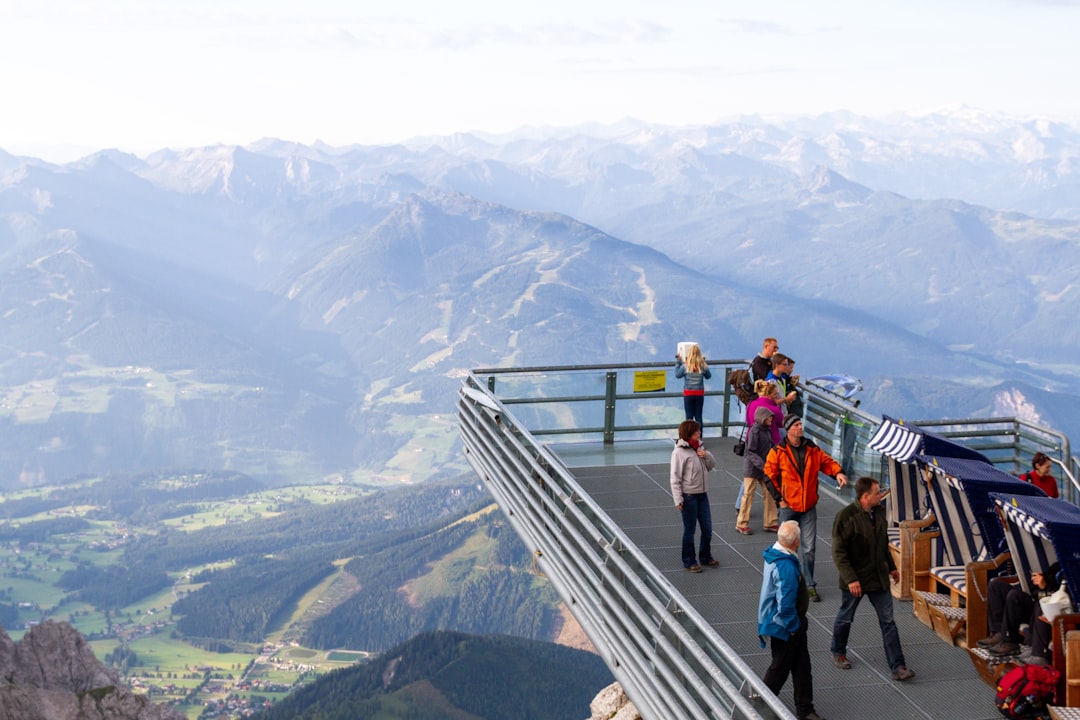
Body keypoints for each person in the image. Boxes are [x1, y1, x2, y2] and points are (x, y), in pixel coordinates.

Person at [829, 476, 915, 681]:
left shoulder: (879, 513)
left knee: (888, 622)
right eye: (877, 493)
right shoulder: (845, 517)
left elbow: (882, 543)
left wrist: (892, 567)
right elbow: (838, 553)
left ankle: (898, 667)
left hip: (878, 579)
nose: (881, 495)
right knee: (846, 616)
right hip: (856, 580)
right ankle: (838, 652)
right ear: (865, 496)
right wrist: (851, 579)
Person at [765, 415, 847, 601]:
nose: (801, 427)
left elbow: (826, 462)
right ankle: (786, 582)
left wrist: (838, 472)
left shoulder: (811, 448)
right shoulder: (778, 451)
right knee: (786, 547)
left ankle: (809, 585)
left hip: (808, 507)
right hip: (788, 506)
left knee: (809, 548)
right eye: (796, 425)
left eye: (801, 424)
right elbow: (769, 476)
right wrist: (780, 501)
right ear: (788, 429)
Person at [758, 520, 826, 720]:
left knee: (801, 666)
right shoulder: (786, 567)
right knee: (780, 668)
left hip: (783, 623)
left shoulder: (775, 553)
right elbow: (786, 604)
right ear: (796, 542)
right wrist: (795, 627)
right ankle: (760, 706)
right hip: (786, 626)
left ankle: (805, 708)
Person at [978, 563, 1062, 658]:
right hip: (1035, 603)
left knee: (1014, 595)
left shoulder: (1072, 574)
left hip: (1049, 612)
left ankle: (1009, 641)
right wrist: (1037, 582)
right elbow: (1033, 591)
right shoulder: (1057, 566)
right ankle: (999, 633)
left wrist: (1044, 587)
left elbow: (1059, 600)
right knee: (995, 586)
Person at [670, 419, 718, 573]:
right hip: (689, 496)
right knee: (690, 530)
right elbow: (675, 477)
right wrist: (678, 499)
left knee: (707, 528)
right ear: (689, 433)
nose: (700, 433)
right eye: (697, 431)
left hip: (703, 495)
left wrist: (706, 455)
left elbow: (711, 466)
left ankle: (705, 556)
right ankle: (689, 561)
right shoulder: (679, 452)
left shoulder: (700, 448)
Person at [736, 380, 785, 515]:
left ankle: (739, 505)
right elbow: (781, 423)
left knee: (749, 478)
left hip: (751, 440)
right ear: (770, 395)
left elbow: (747, 421)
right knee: (773, 477)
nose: (777, 397)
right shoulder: (774, 409)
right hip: (771, 444)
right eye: (775, 394)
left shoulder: (751, 404)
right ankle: (776, 510)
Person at [738, 405, 780, 535]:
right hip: (754, 468)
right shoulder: (755, 431)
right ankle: (742, 523)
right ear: (763, 418)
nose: (771, 420)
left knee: (769, 493)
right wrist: (765, 465)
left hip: (763, 467)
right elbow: (750, 452)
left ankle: (770, 522)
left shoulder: (765, 429)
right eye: (769, 417)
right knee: (748, 494)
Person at [675, 344, 712, 429]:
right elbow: (708, 376)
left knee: (689, 417)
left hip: (688, 394)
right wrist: (704, 362)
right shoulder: (702, 366)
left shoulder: (685, 366)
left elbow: (677, 375)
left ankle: (689, 437)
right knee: (698, 417)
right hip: (699, 394)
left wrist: (678, 362)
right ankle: (699, 438)